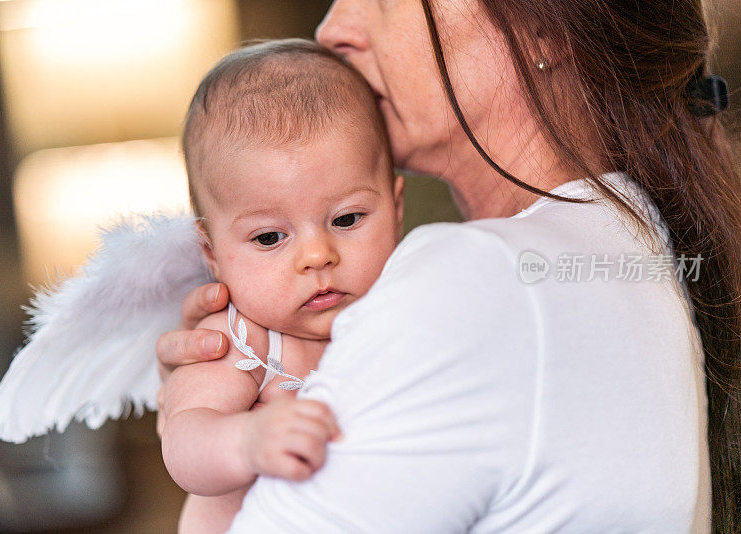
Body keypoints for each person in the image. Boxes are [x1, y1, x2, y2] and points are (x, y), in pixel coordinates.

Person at [157, 1, 741, 532]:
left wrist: (195, 430)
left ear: (542, 29)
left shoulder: (477, 278)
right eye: (269, 236)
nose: (331, 30)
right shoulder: (633, 238)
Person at [161, 39, 404, 533]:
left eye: (348, 218)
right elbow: (183, 444)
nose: (318, 256)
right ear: (212, 252)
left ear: (397, 208)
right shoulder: (243, 341)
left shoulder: (407, 308)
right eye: (270, 237)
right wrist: (247, 439)